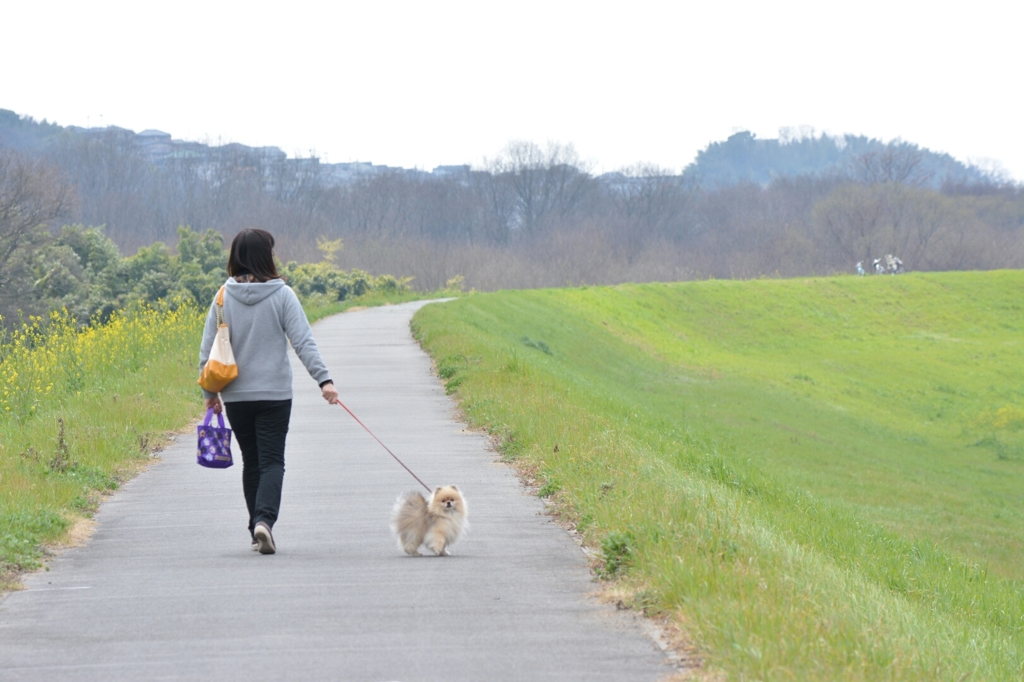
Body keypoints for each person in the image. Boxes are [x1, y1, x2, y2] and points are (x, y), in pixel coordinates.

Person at [199, 228, 339, 555]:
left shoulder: (222, 296)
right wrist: (324, 381)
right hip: (275, 395)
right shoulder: (282, 295)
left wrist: (209, 393)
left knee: (252, 461)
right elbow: (304, 342)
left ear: (236, 258)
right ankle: (265, 521)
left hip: (236, 396)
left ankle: (255, 528)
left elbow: (207, 351)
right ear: (266, 256)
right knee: (273, 461)